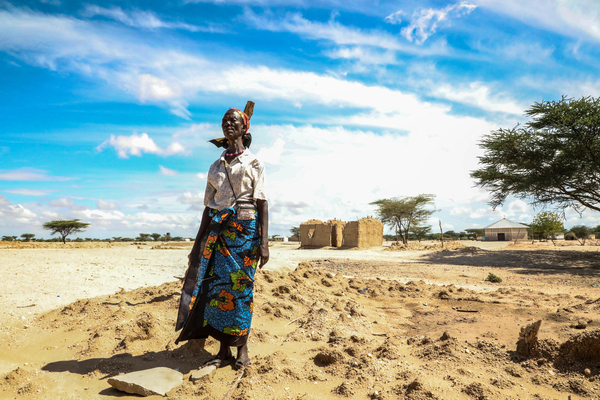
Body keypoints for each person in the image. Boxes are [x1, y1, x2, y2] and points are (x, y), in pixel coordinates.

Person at [175, 107, 269, 370]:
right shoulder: (215, 166)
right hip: (218, 233)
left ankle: (243, 349)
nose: (228, 123)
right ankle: (223, 350)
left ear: (244, 128)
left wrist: (264, 242)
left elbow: (262, 203)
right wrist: (197, 244)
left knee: (241, 291)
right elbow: (209, 208)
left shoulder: (254, 163)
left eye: (234, 120)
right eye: (225, 120)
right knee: (217, 290)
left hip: (246, 233)